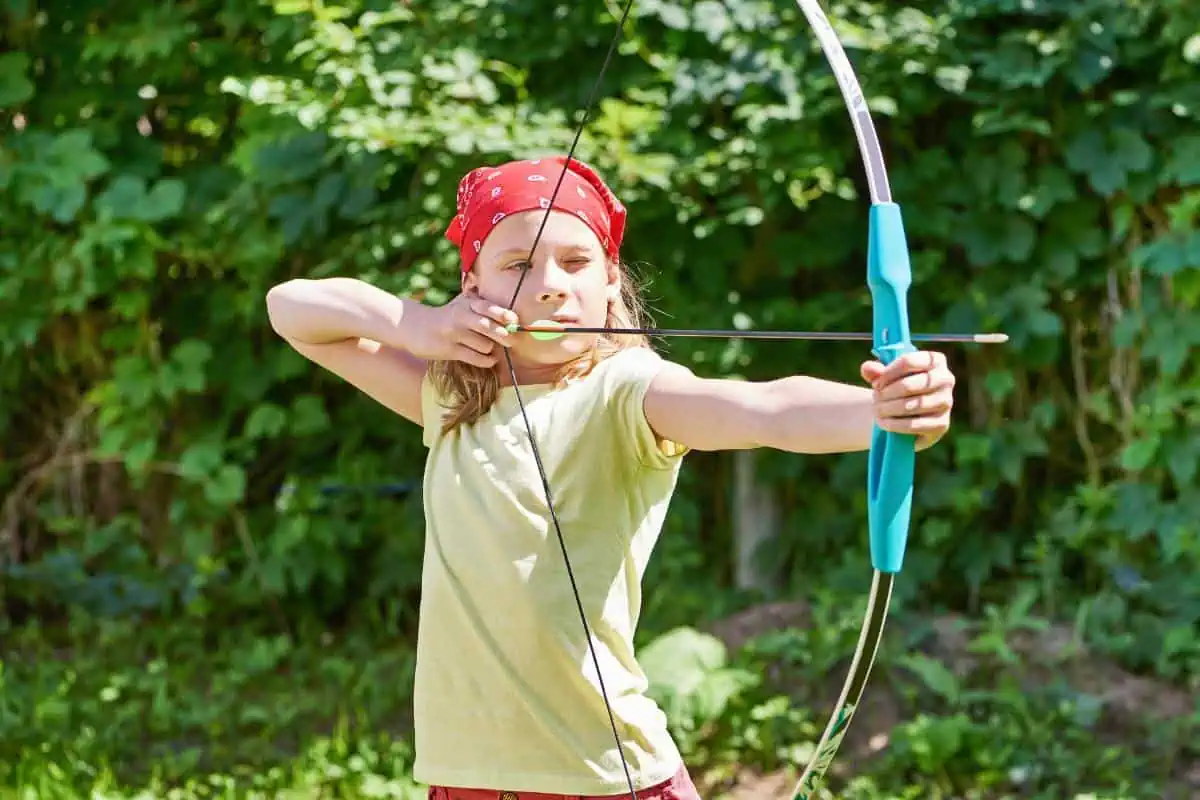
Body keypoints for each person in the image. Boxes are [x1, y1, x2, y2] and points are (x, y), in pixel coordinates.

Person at [265, 156, 956, 800]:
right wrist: (417, 325)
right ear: (472, 286)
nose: (550, 285)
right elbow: (292, 310)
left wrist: (883, 412)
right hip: (464, 774)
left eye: (575, 261)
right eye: (517, 264)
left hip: (603, 776)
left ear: (609, 284)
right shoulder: (449, 398)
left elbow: (760, 409)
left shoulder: (627, 392)